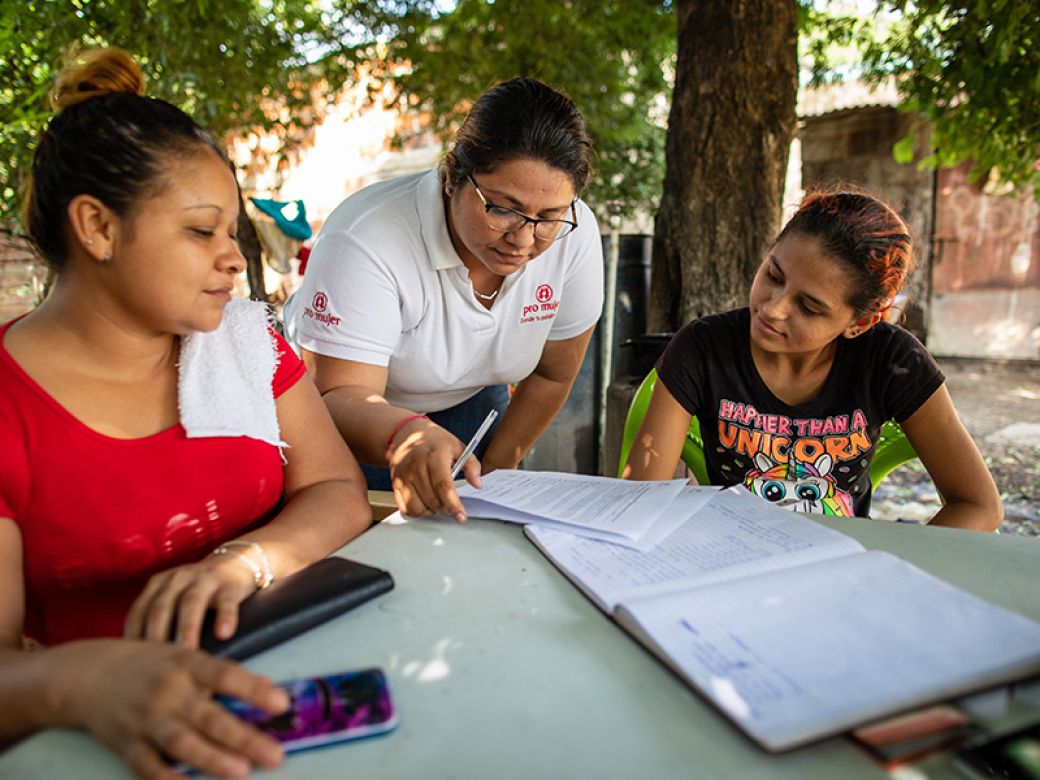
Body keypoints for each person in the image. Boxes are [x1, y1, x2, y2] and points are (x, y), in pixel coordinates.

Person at [0, 48, 372, 777]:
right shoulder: (9, 403)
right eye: (203, 231)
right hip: (95, 738)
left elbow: (336, 491)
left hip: (271, 691)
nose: (234, 260)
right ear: (97, 228)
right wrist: (82, 680)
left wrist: (245, 562)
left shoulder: (243, 348)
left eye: (232, 232)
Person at [287, 78, 604, 523]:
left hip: (474, 401)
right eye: (502, 208)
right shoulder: (366, 237)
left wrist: (496, 480)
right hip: (356, 417)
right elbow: (339, 394)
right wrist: (406, 434)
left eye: (548, 218)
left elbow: (553, 375)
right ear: (453, 172)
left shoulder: (576, 233)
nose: (523, 239)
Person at [623, 189, 1003, 531]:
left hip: (841, 573)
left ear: (861, 322)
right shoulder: (703, 349)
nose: (773, 309)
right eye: (773, 275)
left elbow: (979, 505)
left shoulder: (891, 361)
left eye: (808, 307)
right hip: (730, 561)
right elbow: (639, 497)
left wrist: (888, 572)